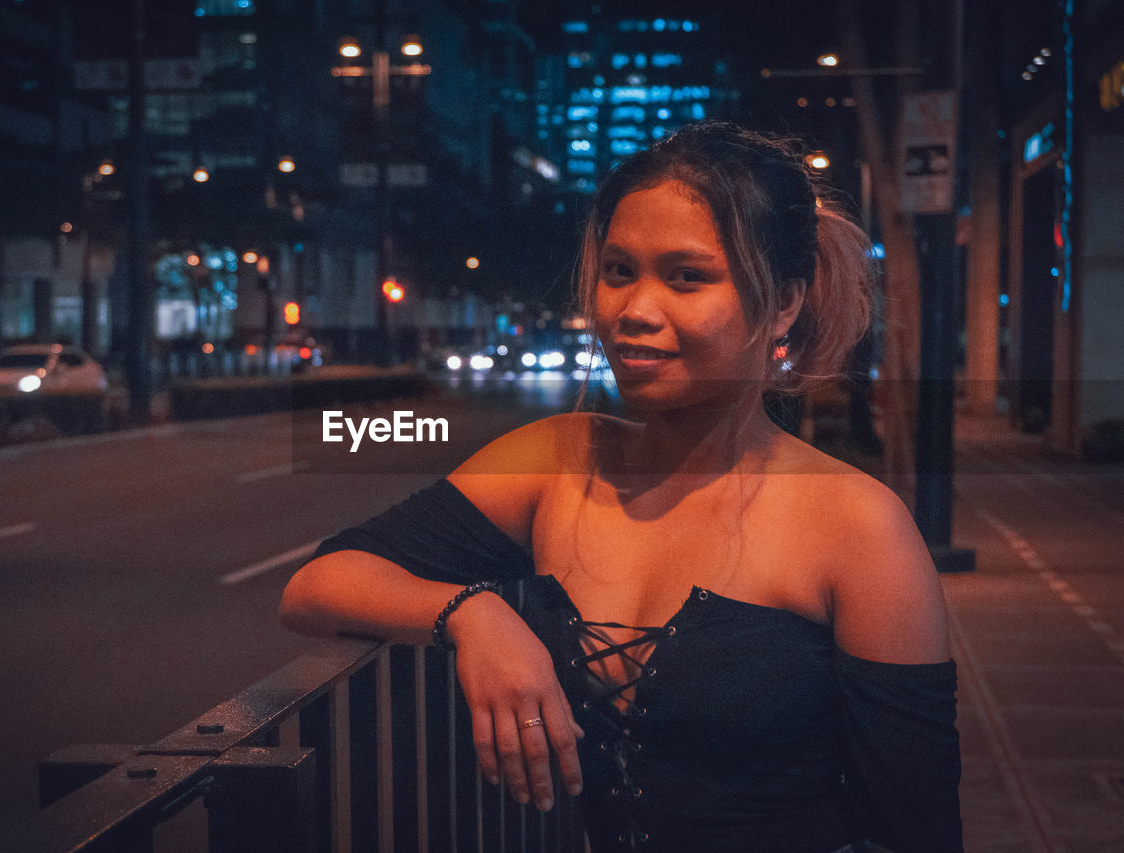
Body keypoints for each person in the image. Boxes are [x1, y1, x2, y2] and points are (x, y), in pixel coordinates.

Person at [280, 120, 962, 853]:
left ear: (785, 302)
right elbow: (318, 583)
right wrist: (470, 613)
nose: (634, 311)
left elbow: (914, 827)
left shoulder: (859, 525)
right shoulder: (557, 461)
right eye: (618, 271)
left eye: (686, 277)